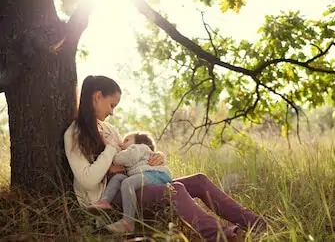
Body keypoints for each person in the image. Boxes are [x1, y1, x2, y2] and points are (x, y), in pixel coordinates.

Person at [64, 75, 266, 242]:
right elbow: (89, 180)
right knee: (174, 190)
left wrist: (157, 154)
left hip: (134, 184)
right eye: (111, 105)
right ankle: (221, 236)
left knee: (199, 180)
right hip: (109, 198)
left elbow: (129, 156)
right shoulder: (75, 134)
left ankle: (256, 223)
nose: (112, 112)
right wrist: (109, 153)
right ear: (97, 96)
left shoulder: (109, 129)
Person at [87, 132, 172, 233]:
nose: (122, 145)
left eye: (126, 140)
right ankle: (104, 201)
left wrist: (113, 154)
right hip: (144, 176)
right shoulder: (136, 157)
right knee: (118, 178)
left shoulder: (139, 147)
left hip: (156, 174)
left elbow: (126, 157)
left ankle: (128, 222)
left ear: (139, 142)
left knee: (127, 183)